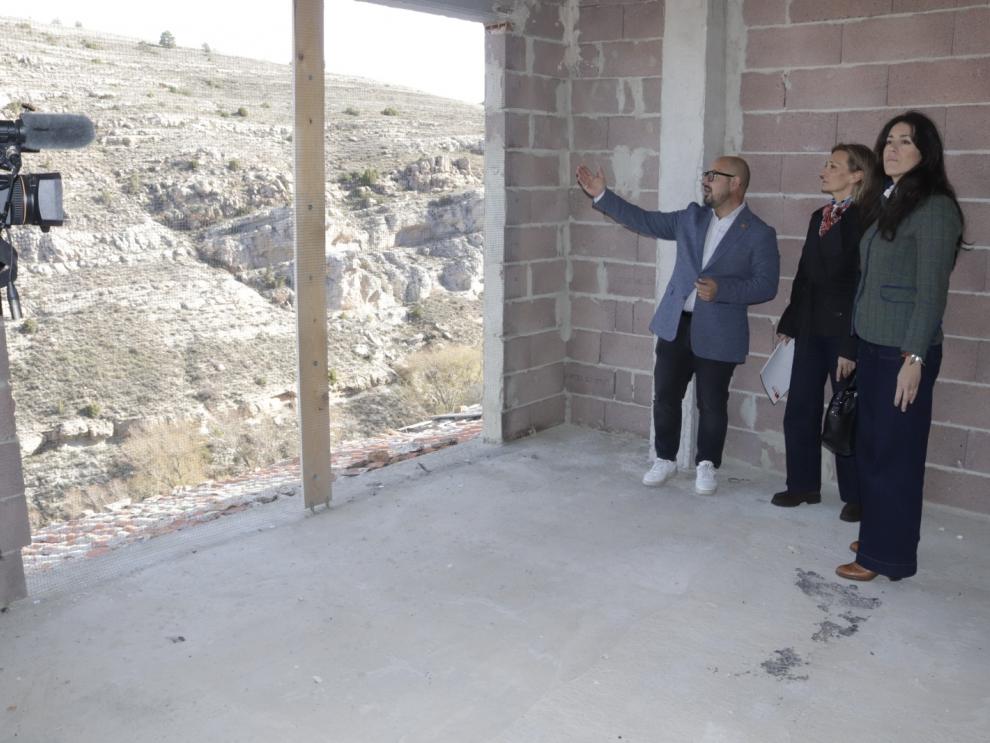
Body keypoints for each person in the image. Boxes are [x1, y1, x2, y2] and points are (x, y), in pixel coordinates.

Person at [576, 157, 779, 495]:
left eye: (714, 176)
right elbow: (646, 221)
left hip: (720, 332)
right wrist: (603, 196)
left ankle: (707, 464)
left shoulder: (759, 233)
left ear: (736, 184)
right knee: (666, 397)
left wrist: (722, 290)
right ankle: (665, 459)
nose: (706, 181)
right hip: (676, 325)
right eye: (706, 175)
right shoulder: (691, 218)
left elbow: (766, 284)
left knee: (712, 403)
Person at [837, 111, 965, 582]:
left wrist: (914, 359)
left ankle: (882, 557)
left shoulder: (934, 208)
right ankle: (880, 534)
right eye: (888, 140)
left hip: (901, 353)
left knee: (894, 456)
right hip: (875, 346)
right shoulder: (891, 200)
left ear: (925, 152)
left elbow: (932, 292)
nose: (892, 149)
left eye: (905, 142)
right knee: (873, 450)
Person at [771, 144, 880, 522]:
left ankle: (857, 495)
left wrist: (851, 344)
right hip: (810, 326)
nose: (823, 170)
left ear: (857, 175)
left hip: (844, 331)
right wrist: (789, 321)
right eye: (826, 164)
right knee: (799, 406)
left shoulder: (869, 217)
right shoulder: (820, 215)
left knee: (845, 412)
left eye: (833, 166)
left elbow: (861, 283)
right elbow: (804, 274)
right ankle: (802, 485)